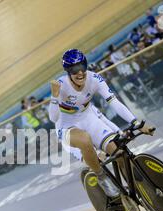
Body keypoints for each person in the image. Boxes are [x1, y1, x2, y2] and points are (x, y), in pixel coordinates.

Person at [48, 49, 154, 199]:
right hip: (66, 128)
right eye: (73, 69)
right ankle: (101, 177)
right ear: (67, 71)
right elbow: (53, 118)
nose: (79, 73)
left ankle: (144, 196)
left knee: (119, 153)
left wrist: (136, 123)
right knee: (85, 140)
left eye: (82, 67)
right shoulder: (61, 85)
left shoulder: (95, 79)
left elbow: (114, 103)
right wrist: (54, 96)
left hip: (89, 120)